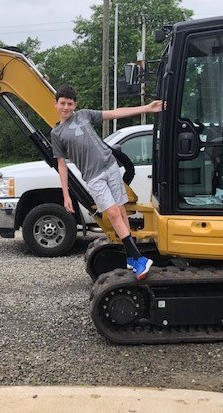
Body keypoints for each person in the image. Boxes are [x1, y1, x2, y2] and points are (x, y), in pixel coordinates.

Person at [51, 84, 163, 280]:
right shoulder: (56, 134)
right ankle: (137, 258)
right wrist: (65, 195)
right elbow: (61, 165)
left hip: (110, 167)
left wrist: (146, 108)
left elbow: (114, 113)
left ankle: (131, 258)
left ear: (75, 105)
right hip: (93, 177)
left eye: (70, 103)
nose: (66, 107)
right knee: (111, 213)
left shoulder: (84, 115)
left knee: (120, 211)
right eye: (62, 103)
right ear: (56, 104)